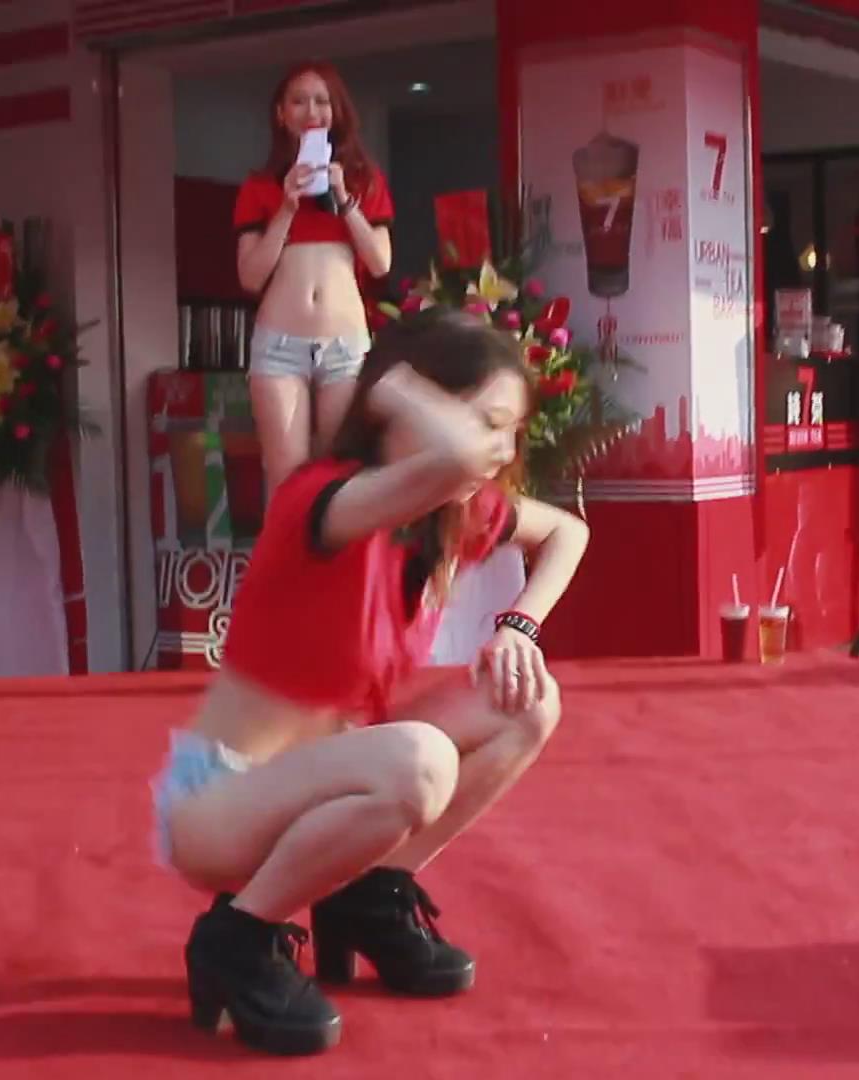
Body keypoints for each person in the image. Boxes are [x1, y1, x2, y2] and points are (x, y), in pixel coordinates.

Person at [150, 311, 591, 1056]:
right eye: (486, 423)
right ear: (411, 403)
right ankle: (237, 937)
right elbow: (454, 458)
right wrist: (393, 387)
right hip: (222, 801)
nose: (499, 450)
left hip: (330, 779)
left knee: (526, 702)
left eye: (510, 431)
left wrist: (520, 625)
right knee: (421, 761)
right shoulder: (325, 500)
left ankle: (367, 894)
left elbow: (567, 532)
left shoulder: (448, 517)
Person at [234, 61, 394, 499]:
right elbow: (250, 276)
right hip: (280, 347)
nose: (311, 111)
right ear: (281, 114)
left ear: (337, 111)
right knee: (286, 482)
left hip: (344, 346)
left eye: (322, 101)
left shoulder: (364, 180)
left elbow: (380, 262)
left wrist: (344, 199)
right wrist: (287, 206)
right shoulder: (261, 185)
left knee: (340, 478)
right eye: (298, 101)